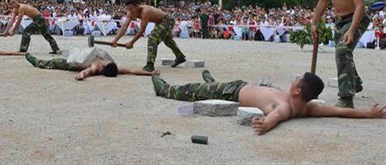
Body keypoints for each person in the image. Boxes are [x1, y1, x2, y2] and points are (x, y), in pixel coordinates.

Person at [152, 70, 386, 135]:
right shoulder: (309, 107)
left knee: (193, 90)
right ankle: (212, 80)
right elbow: (339, 111)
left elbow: (275, 117)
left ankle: (164, 88)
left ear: (296, 91)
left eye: (296, 80)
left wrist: (265, 125)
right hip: (242, 84)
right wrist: (367, 113)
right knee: (212, 85)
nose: (294, 79)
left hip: (234, 91)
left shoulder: (285, 107)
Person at [311, 0, 370, 108]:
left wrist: (352, 30)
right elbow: (323, 1)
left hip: (356, 18)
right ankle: (355, 83)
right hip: (339, 20)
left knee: (342, 52)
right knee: (344, 54)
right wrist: (314, 22)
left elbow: (360, 5)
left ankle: (346, 98)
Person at [110, 0, 186, 72]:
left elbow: (141, 30)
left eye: (131, 8)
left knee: (153, 37)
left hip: (167, 20)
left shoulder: (145, 11)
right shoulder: (130, 13)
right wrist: (115, 40)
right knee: (168, 41)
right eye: (128, 9)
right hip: (159, 22)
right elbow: (124, 27)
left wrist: (131, 42)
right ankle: (180, 57)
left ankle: (150, 64)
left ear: (137, 6)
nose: (130, 11)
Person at [25, 51, 160, 81]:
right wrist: (150, 73)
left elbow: (87, 71)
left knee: (50, 63)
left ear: (102, 68)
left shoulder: (96, 68)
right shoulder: (112, 66)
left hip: (72, 65)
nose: (105, 61)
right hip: (80, 55)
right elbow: (132, 70)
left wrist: (80, 76)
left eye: (105, 63)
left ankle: (34, 60)